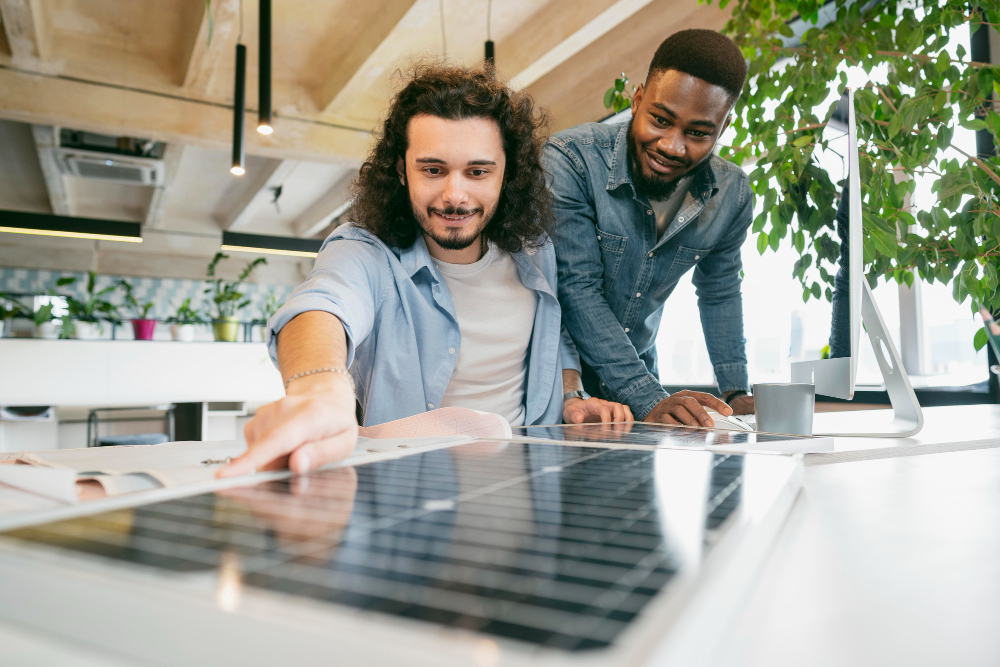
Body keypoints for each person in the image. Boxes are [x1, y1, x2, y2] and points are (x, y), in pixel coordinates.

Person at [220, 65, 630, 478]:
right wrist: (319, 388)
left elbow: (552, 331)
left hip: (535, 497)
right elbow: (323, 304)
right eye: (433, 170)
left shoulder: (535, 248)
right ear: (402, 170)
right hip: (410, 500)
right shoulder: (367, 250)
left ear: (507, 174)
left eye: (478, 171)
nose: (455, 195)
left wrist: (571, 392)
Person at [544, 29, 754, 428]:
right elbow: (576, 288)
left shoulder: (733, 194)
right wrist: (647, 397)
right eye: (660, 120)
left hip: (640, 379)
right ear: (637, 99)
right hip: (560, 384)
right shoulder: (570, 160)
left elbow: (720, 291)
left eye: (698, 133)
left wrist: (735, 394)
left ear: (723, 128)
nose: (672, 147)